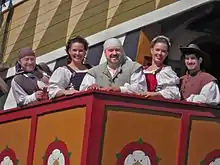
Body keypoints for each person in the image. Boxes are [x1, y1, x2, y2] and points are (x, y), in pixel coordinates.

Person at [80, 38, 147, 93]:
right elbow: (82, 91)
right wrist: (90, 88)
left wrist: (120, 89)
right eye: (111, 50)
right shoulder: (94, 72)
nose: (114, 53)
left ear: (122, 51)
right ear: (105, 53)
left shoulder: (134, 68)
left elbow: (141, 89)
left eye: (117, 50)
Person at [142, 35, 181, 99]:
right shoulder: (142, 70)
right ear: (152, 50)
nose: (160, 53)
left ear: (167, 54)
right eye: (157, 50)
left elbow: (174, 93)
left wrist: (156, 94)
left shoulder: (167, 72)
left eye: (163, 51)